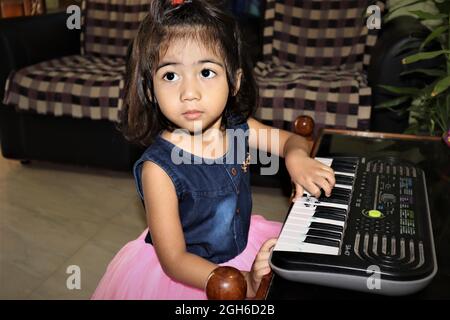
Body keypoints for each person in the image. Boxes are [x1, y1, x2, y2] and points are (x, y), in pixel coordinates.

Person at [92, 0, 335, 300]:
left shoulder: (238, 127)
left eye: (206, 72)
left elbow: (291, 141)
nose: (189, 93)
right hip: (194, 277)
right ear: (150, 90)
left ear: (234, 81)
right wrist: (243, 280)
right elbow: (174, 261)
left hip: (242, 247)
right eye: (170, 76)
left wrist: (296, 157)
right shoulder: (158, 169)